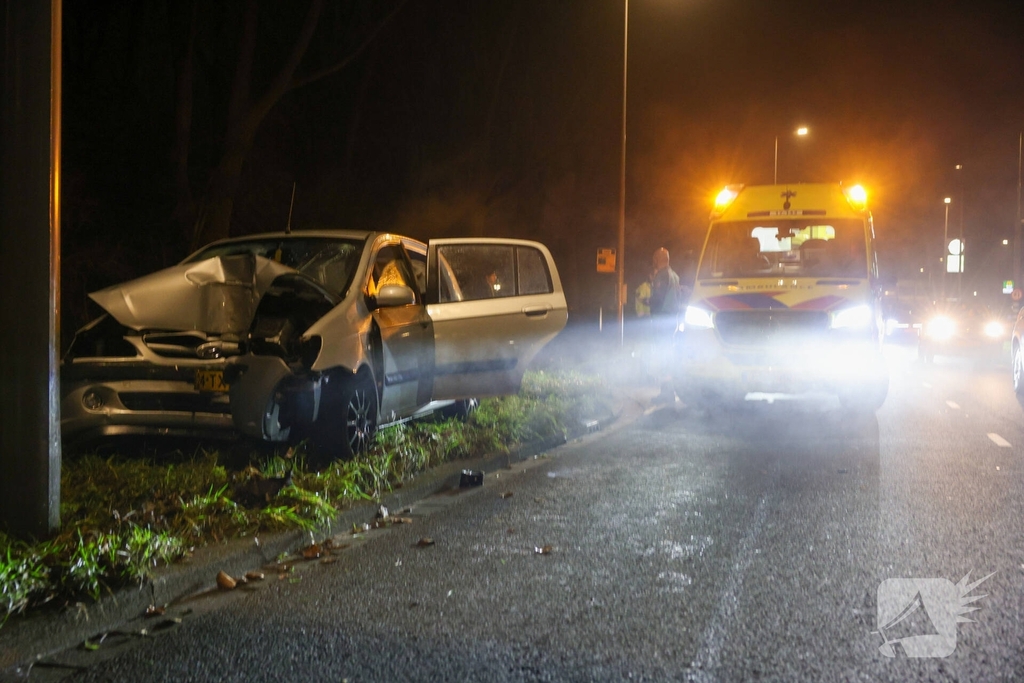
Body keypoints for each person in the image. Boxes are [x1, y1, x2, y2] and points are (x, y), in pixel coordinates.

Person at [649, 247, 680, 404]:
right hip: (672, 320)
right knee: (668, 356)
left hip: (661, 320)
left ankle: (666, 393)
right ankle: (669, 391)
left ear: (657, 259)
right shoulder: (675, 275)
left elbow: (658, 299)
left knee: (662, 356)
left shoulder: (662, 275)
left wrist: (648, 302)